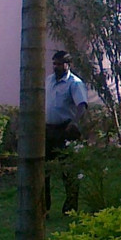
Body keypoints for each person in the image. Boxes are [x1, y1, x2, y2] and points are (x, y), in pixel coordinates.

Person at [45, 50, 88, 214]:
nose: (56, 67)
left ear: (67, 65)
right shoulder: (48, 80)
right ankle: (44, 208)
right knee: (44, 170)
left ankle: (70, 207)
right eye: (54, 64)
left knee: (68, 171)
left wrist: (75, 122)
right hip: (48, 130)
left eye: (59, 64)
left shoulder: (74, 83)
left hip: (65, 130)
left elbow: (82, 105)